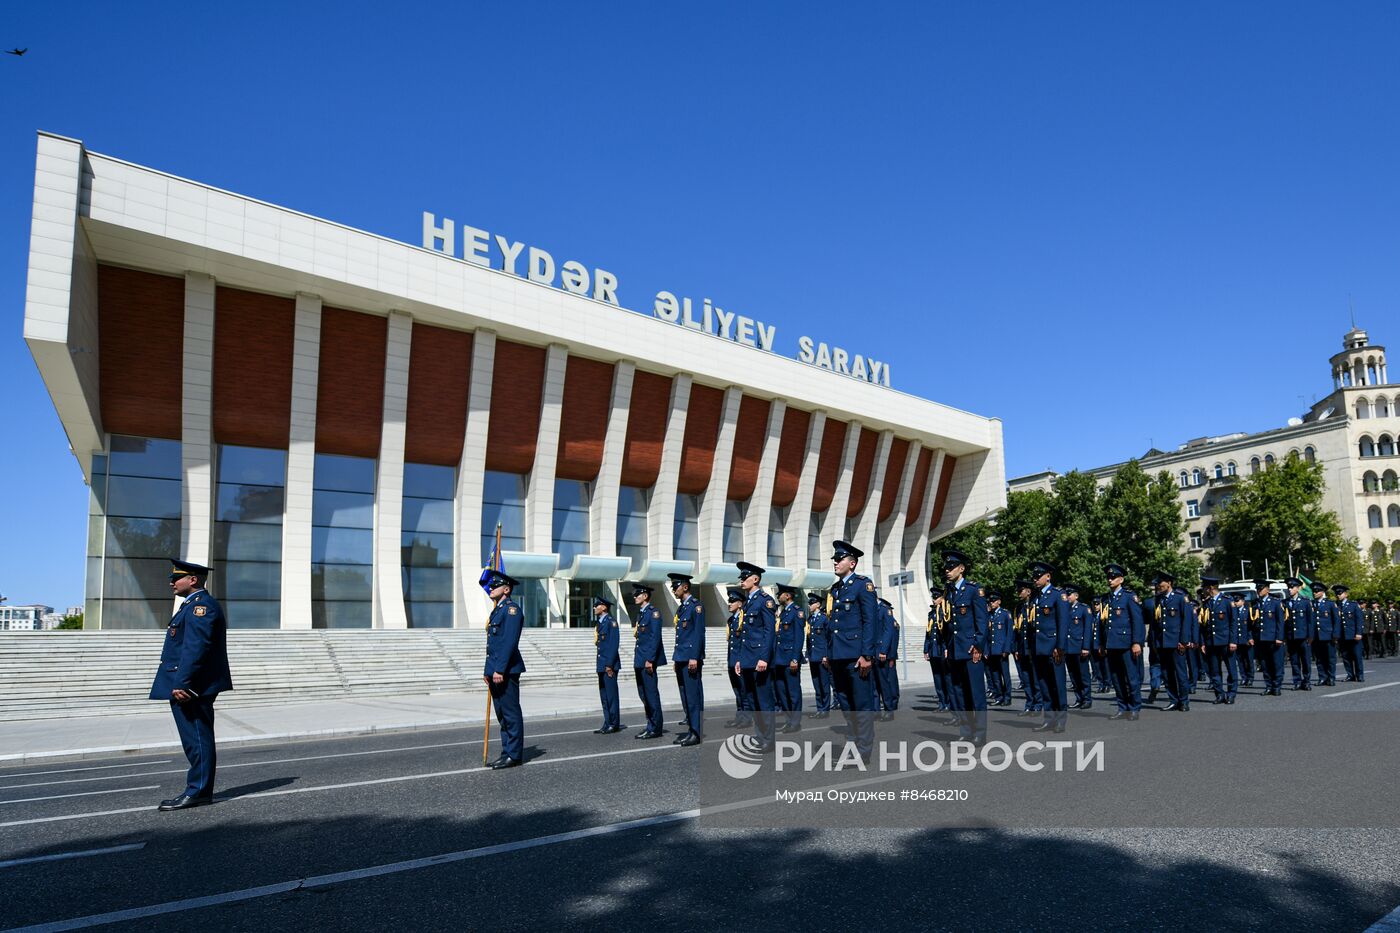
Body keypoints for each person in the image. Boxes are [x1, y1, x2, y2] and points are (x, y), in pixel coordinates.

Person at [149, 559, 233, 810]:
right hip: (187, 682)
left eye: (176, 578)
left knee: (197, 738)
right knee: (193, 739)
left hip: (192, 686)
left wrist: (183, 682)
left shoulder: (201, 607)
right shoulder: (191, 606)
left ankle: (198, 791)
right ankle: (199, 789)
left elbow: (196, 648)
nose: (171, 582)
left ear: (193, 579)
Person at [826, 540, 879, 762]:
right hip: (838, 656)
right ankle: (854, 745)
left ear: (853, 563)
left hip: (856, 656)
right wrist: (829, 653)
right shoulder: (836, 589)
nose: (836, 562)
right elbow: (834, 625)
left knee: (862, 704)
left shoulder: (862, 585)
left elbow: (870, 621)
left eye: (840, 559)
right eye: (835, 559)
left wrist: (867, 655)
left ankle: (863, 751)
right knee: (847, 704)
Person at [940, 549, 988, 744]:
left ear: (961, 568)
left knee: (976, 693)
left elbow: (982, 622)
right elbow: (949, 624)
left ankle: (980, 733)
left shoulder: (973, 590)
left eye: (951, 567)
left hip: (970, 650)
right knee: (960, 693)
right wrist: (946, 646)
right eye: (946, 567)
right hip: (955, 650)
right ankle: (966, 731)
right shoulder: (949, 592)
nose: (947, 570)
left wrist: (978, 645)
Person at [483, 569, 526, 769]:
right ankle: (506, 751)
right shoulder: (497, 610)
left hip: (506, 670)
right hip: (496, 670)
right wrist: (488, 670)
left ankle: (514, 754)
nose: (491, 588)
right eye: (491, 585)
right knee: (501, 714)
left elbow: (509, 642)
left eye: (495, 585)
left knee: (510, 713)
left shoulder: (512, 610)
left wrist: (499, 669)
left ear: (506, 589)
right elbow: (492, 645)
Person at [734, 562, 777, 749]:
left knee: (764, 701)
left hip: (759, 659)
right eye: (741, 578)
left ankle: (768, 739)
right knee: (752, 700)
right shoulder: (748, 602)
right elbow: (744, 635)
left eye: (745, 577)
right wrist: (740, 660)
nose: (742, 581)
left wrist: (764, 658)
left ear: (756, 579)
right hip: (747, 659)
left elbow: (769, 632)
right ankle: (760, 736)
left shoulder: (765, 600)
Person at [1026, 561, 1069, 733]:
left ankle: (1061, 719)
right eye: (1034, 576)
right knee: (1043, 684)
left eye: (1038, 576)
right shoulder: (1035, 597)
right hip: (1039, 647)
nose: (1035, 579)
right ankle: (1049, 718)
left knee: (1057, 684)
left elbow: (1063, 622)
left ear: (1048, 576)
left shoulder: (1058, 595)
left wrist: (1060, 647)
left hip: (1053, 647)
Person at [1100, 563, 1144, 720]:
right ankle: (1122, 707)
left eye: (1113, 577)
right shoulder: (1106, 598)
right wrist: (1101, 643)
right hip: (1111, 644)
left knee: (1131, 677)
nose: (1110, 580)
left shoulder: (1129, 596)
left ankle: (1134, 707)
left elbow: (1137, 621)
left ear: (1121, 579)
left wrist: (1137, 642)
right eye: (1108, 577)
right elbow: (1102, 624)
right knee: (1116, 678)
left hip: (1126, 643)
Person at [668, 573, 705, 746]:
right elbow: (681, 636)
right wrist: (677, 659)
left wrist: (693, 658)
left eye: (675, 587)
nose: (673, 589)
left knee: (692, 697)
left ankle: (696, 733)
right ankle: (691, 729)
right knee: (685, 696)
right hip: (681, 658)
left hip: (690, 658)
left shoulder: (695, 607)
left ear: (685, 587)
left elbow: (698, 634)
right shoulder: (682, 607)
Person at [1150, 571, 1193, 712]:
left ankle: (1184, 701)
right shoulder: (1159, 599)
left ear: (1169, 583)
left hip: (1177, 642)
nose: (1158, 586)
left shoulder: (1181, 598)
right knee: (1167, 674)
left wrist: (1184, 641)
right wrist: (1156, 642)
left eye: (1160, 583)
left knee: (1180, 673)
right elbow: (1156, 623)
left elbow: (1186, 621)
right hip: (1163, 643)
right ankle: (1173, 700)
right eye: (1157, 584)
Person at [630, 582, 667, 739]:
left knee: (651, 695)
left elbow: (655, 638)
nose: (634, 597)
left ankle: (656, 728)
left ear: (645, 596)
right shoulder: (641, 614)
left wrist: (650, 660)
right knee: (643, 694)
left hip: (647, 661)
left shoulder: (653, 613)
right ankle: (650, 724)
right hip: (640, 660)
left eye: (637, 594)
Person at [1199, 577, 1238, 705]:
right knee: (1214, 670)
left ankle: (1231, 694)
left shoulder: (1227, 601)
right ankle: (1219, 694)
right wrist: (1204, 642)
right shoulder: (1206, 603)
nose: (1203, 591)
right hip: (1212, 642)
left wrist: (1233, 641)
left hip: (1226, 642)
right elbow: (1204, 626)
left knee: (1231, 669)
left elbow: (1233, 623)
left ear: (1210, 588)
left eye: (1205, 588)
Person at [773, 584, 805, 732]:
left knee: (793, 692)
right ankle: (788, 719)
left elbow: (799, 637)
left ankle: (795, 722)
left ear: (788, 595)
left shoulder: (797, 612)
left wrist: (795, 659)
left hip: (789, 659)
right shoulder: (784, 612)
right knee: (782, 692)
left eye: (780, 594)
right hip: (779, 658)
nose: (778, 596)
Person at [592, 595, 623, 734]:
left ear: (604, 607)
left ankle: (614, 723)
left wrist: (609, 664)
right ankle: (607, 722)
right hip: (601, 664)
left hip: (609, 665)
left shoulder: (611, 623)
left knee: (611, 696)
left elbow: (613, 645)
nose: (594, 607)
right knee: (604, 696)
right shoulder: (600, 623)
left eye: (596, 605)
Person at [723, 588, 753, 727]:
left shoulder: (744, 619)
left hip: (740, 661)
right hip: (732, 660)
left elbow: (745, 641)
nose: (729, 603)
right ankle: (740, 716)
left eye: (732, 601)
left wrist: (740, 660)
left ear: (740, 604)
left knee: (744, 690)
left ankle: (747, 718)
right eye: (729, 601)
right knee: (737, 691)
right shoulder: (731, 620)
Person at [1253, 579, 1287, 696]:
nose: (1259, 591)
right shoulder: (1255, 603)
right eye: (1257, 589)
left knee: (1276, 663)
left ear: (1267, 589)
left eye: (1261, 589)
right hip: (1261, 639)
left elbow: (1280, 622)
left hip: (1273, 638)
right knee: (1265, 664)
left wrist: (1279, 637)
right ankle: (1268, 686)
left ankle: (1277, 686)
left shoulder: (1276, 603)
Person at [1014, 578, 1041, 717]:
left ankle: (1038, 703)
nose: (1018, 593)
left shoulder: (1035, 605)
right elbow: (1017, 630)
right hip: (1022, 647)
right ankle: (1029, 703)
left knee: (1035, 677)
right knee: (1025, 678)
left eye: (1021, 590)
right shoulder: (1019, 608)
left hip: (1033, 647)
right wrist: (1016, 649)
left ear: (1028, 591)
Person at [1064, 584, 1094, 710]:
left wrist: (1086, 647)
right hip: (1068, 647)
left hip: (1079, 647)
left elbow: (1087, 629)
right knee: (1073, 675)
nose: (1067, 597)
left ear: (1076, 595)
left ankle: (1087, 699)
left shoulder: (1084, 609)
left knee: (1083, 675)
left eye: (1069, 594)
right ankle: (1079, 698)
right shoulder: (1064, 609)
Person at [1283, 577, 1314, 691]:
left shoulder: (1305, 602)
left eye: (1292, 587)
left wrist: (1310, 636)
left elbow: (1310, 621)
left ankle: (1306, 681)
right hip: (1291, 636)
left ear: (1297, 588)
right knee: (1294, 661)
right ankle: (1297, 681)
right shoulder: (1285, 602)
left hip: (1303, 636)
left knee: (1305, 660)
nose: (1290, 590)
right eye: (1289, 587)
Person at [806, 591, 833, 718]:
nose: (809, 606)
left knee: (824, 683)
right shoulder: (810, 619)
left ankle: (825, 709)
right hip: (813, 656)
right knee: (816, 683)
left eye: (811, 603)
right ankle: (819, 708)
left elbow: (829, 638)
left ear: (817, 604)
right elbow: (809, 638)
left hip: (822, 656)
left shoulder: (824, 619)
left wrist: (826, 655)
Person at [985, 591, 1013, 706]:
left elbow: (1009, 633)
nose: (991, 603)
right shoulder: (989, 615)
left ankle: (1007, 697)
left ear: (999, 602)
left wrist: (1006, 649)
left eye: (993, 601)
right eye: (990, 601)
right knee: (995, 676)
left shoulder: (1005, 614)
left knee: (1005, 675)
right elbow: (986, 635)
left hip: (1001, 651)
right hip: (992, 651)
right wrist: (986, 650)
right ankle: (999, 696)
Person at [875, 597, 900, 720]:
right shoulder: (869, 609)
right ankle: (875, 711)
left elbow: (889, 633)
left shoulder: (885, 610)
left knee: (885, 682)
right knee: (874, 684)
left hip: (882, 652)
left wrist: (886, 652)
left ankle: (889, 708)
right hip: (871, 652)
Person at [925, 595, 952, 712]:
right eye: (933, 598)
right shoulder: (931, 614)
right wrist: (926, 649)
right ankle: (941, 703)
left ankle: (949, 703)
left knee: (946, 677)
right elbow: (928, 633)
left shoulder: (946, 612)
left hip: (942, 649)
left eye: (936, 597)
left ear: (942, 598)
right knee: (937, 678)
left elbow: (948, 633)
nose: (933, 600)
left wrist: (947, 648)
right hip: (934, 650)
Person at [1337, 584, 1365, 682]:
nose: (1338, 595)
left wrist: (1359, 633)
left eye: (1340, 593)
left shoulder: (1353, 605)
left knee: (1357, 656)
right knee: (1346, 656)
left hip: (1353, 635)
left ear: (1346, 594)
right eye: (1337, 593)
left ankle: (1359, 675)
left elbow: (1359, 620)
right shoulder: (1336, 605)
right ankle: (1350, 675)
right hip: (1342, 636)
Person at [1312, 581, 1338, 687]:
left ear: (1322, 592)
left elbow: (1336, 620)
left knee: (1330, 658)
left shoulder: (1330, 604)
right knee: (1319, 658)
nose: (1314, 593)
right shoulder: (1312, 604)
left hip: (1328, 635)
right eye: (1313, 591)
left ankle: (1331, 677)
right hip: (1316, 636)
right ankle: (1322, 677)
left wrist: (1335, 634)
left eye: (1317, 591)